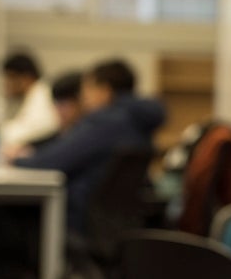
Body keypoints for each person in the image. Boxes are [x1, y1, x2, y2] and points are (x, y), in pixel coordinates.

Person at [12, 58, 165, 234]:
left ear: (104, 91)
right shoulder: (137, 123)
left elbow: (50, 162)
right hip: (111, 223)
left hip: (79, 219)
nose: (83, 97)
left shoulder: (104, 123)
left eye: (87, 88)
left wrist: (17, 160)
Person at [0, 52, 60, 155]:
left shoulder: (42, 95)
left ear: (26, 77)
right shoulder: (34, 94)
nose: (6, 84)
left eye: (10, 77)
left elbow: (41, 127)